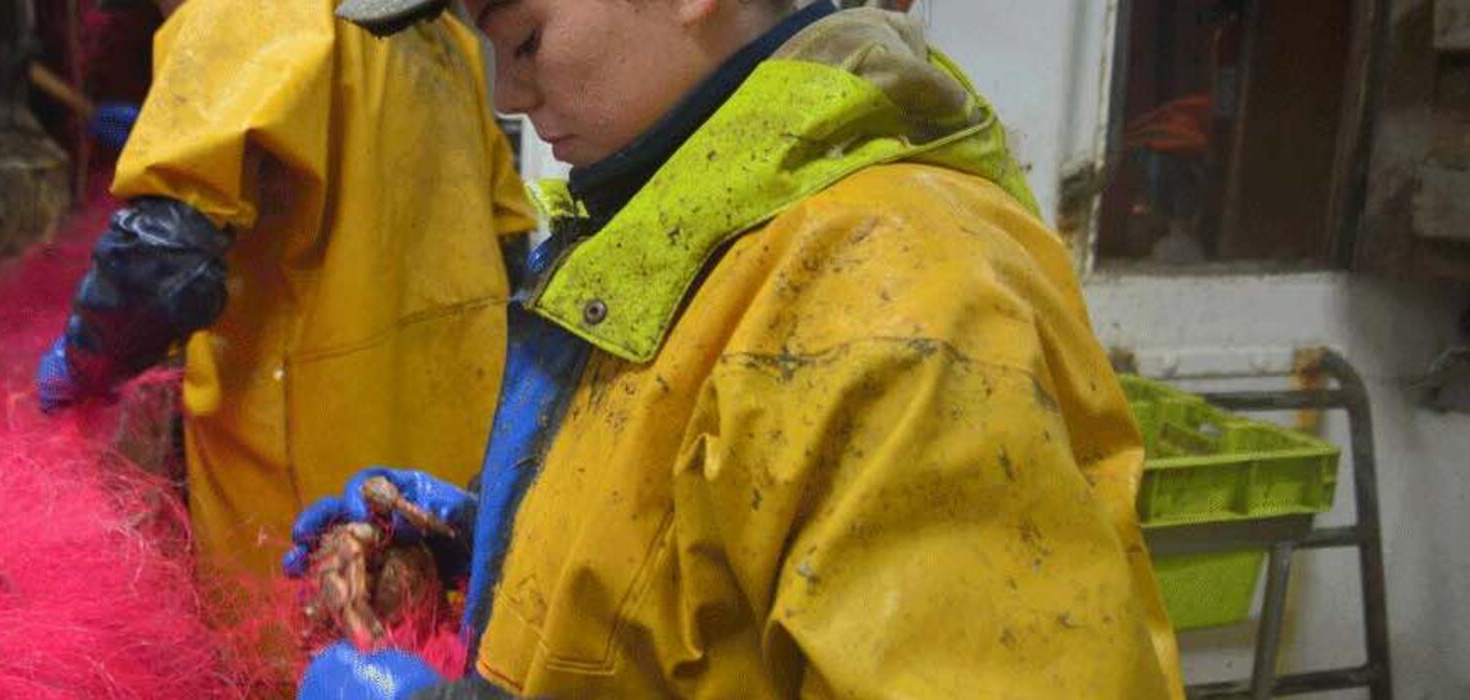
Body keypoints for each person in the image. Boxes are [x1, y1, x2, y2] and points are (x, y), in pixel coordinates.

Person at [287, 1, 1185, 697]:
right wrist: (500, 537)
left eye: (523, 40)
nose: (507, 97)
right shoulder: (683, 231)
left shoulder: (897, 298)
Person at [37, 0, 535, 575]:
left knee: (295, 649)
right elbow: (508, 241)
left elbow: (164, 266)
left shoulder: (241, 14)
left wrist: (89, 358)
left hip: (307, 491)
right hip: (442, 482)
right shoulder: (439, 36)